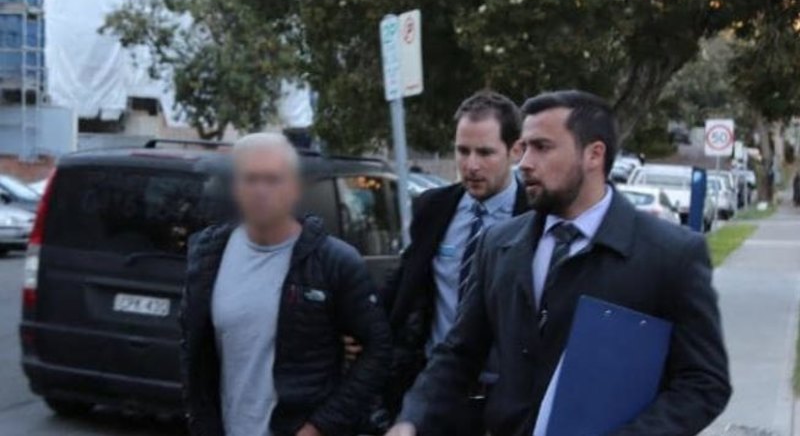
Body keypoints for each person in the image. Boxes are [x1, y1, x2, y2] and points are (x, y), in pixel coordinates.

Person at [386, 90, 731, 436]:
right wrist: (411, 419)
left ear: (594, 154)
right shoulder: (499, 244)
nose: (525, 162)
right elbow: (459, 353)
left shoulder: (670, 254)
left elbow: (704, 383)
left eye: (542, 147)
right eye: (524, 147)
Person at [180, 132, 392, 436]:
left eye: (272, 179)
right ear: (236, 188)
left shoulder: (332, 261)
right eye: (250, 179)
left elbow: (378, 349)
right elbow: (192, 347)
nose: (261, 190)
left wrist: (320, 426)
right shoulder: (208, 254)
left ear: (294, 188)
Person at [385, 91, 530, 434]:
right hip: (437, 397)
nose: (471, 165)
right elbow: (405, 285)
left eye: (485, 152)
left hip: (507, 404)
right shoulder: (434, 208)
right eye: (463, 151)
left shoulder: (537, 216)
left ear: (515, 151)